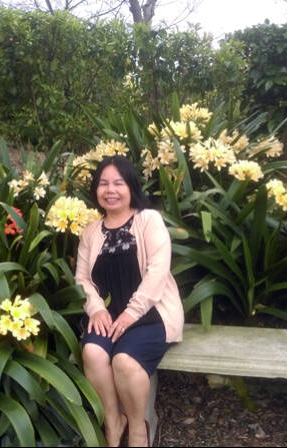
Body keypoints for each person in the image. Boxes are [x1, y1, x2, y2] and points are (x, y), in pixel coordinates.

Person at [75, 155, 184, 447]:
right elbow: (82, 279)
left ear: (131, 187)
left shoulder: (149, 220)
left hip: (149, 314)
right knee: (93, 353)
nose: (110, 190)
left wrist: (131, 314)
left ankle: (137, 429)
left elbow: (157, 271)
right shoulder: (90, 232)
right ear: (96, 190)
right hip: (107, 316)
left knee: (124, 361)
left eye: (118, 183)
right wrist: (96, 308)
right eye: (103, 184)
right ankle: (113, 422)